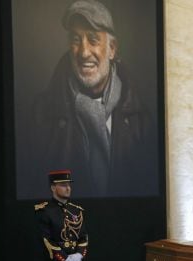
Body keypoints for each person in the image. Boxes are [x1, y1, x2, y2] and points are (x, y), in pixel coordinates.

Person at [30, 0, 155, 197]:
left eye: (93, 39)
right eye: (76, 39)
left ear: (112, 49)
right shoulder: (41, 113)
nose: (84, 52)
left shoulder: (141, 118)